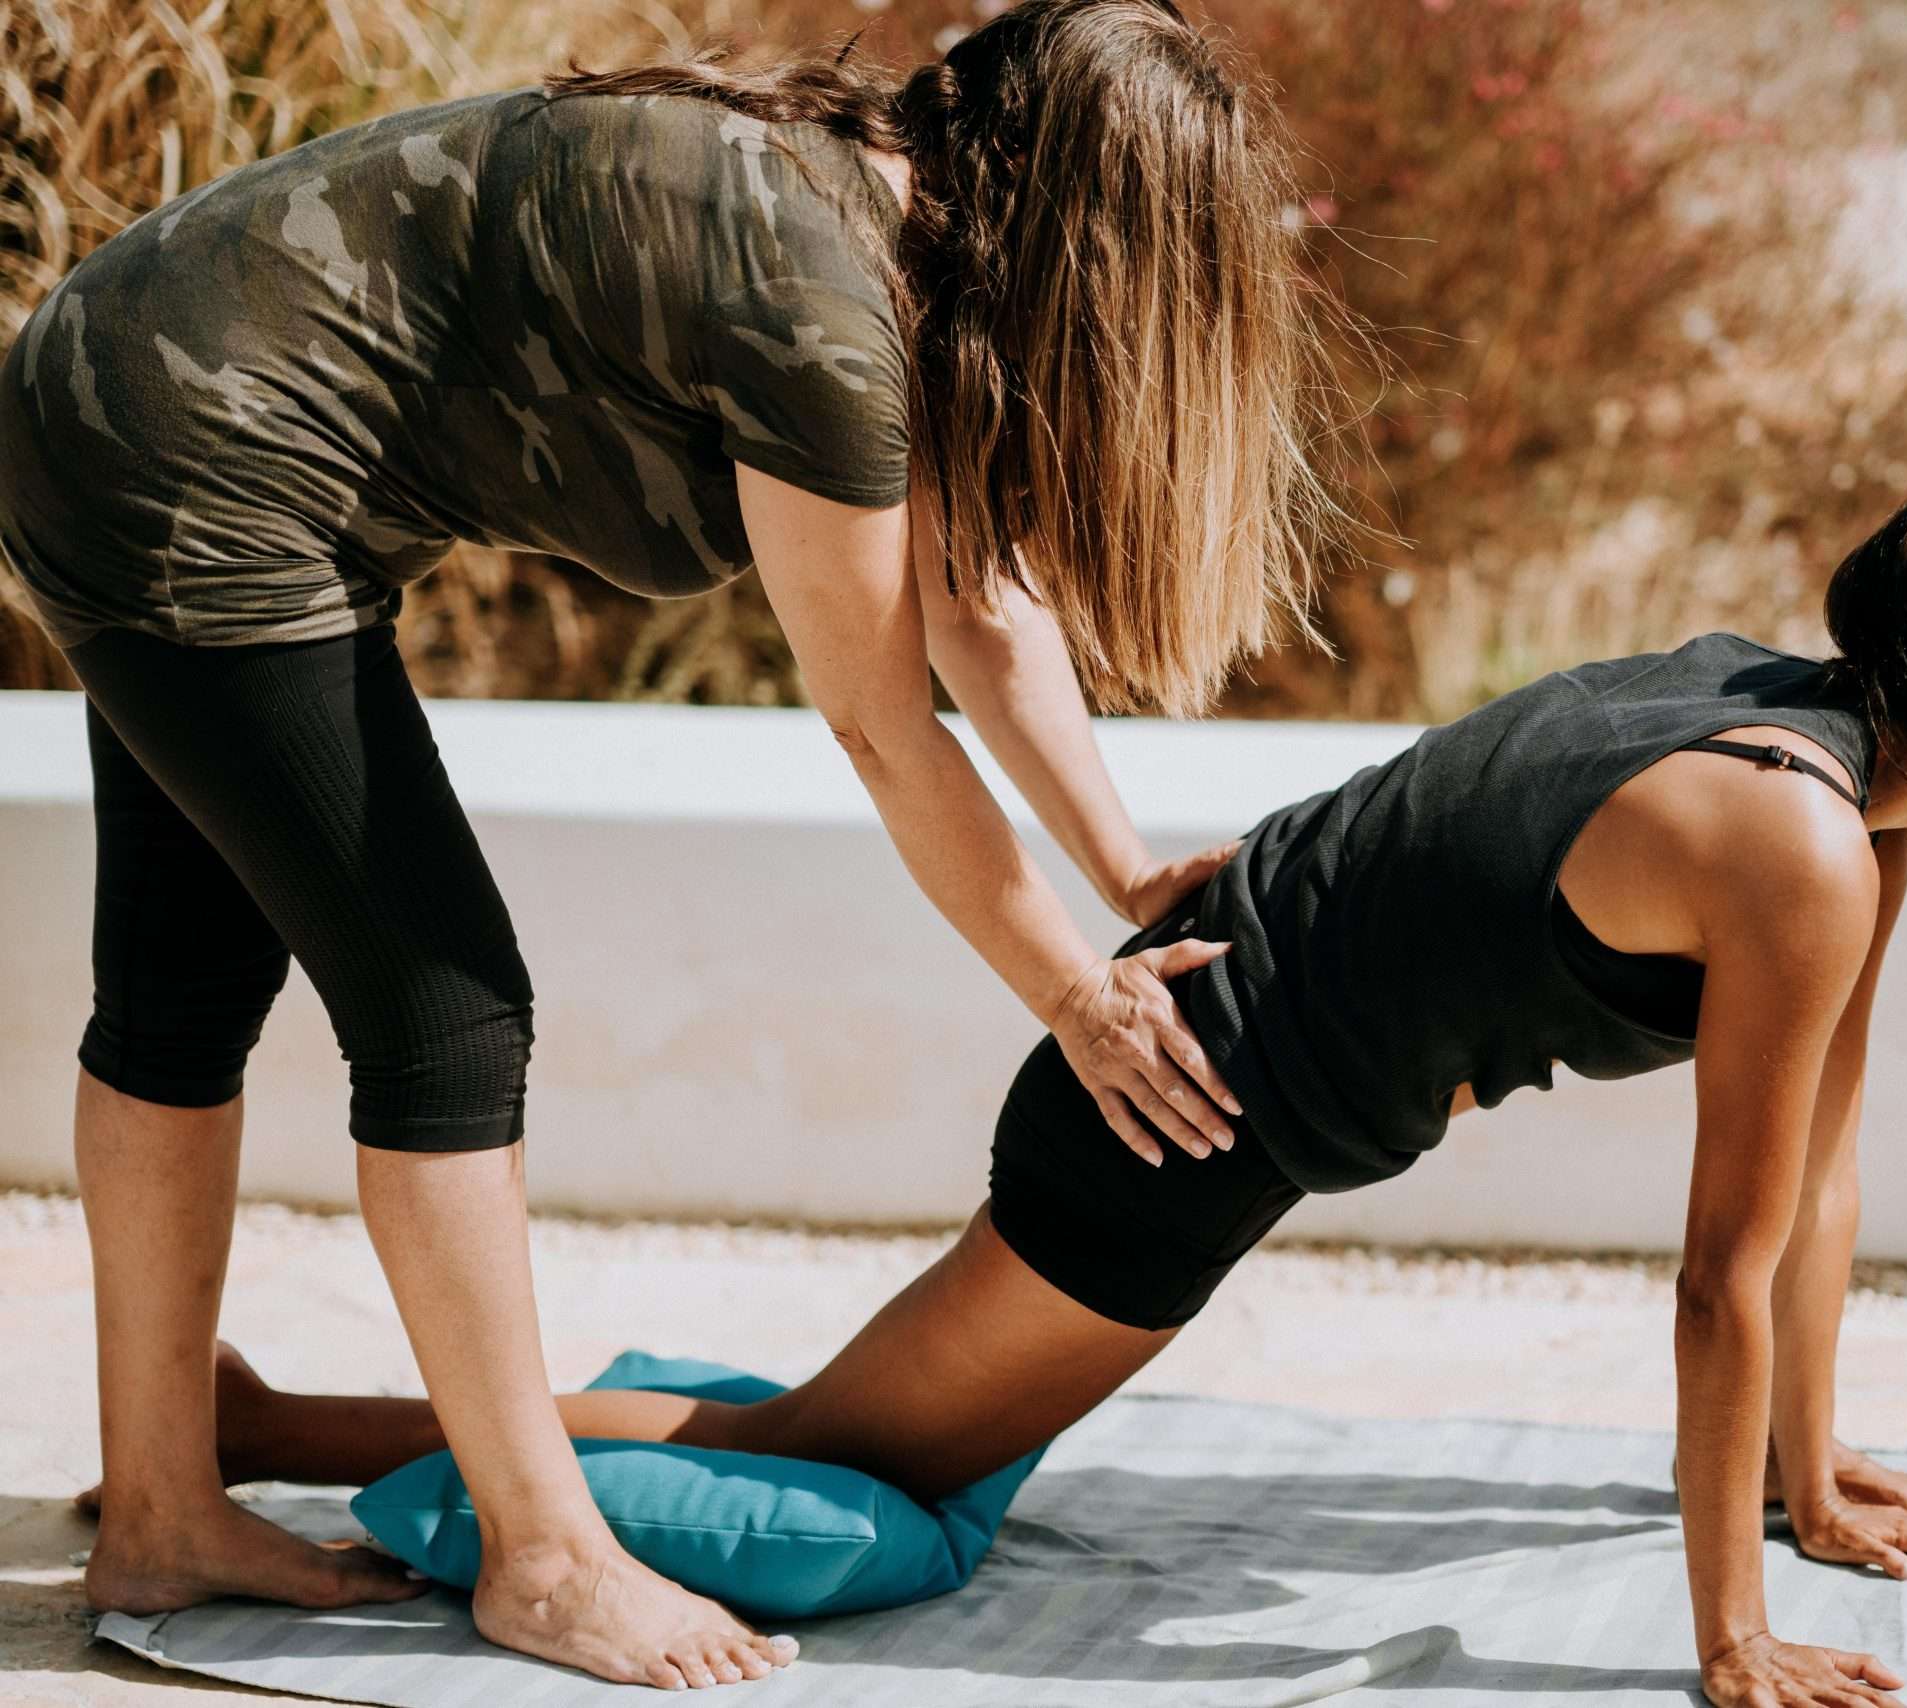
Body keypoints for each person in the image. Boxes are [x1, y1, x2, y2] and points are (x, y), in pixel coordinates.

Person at [161, 424, 1907, 1706]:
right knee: (846, 1450)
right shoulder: (1798, 840)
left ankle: (286, 1407)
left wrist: (1809, 1478)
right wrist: (1727, 1632)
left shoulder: (1843, 775)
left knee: (844, 1416)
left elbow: (1812, 1184)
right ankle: (297, 1427)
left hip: (1210, 1049)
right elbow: (1715, 1271)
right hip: (1175, 1105)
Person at [1, 0, 1349, 1688]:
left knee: (183, 993)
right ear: (1089, 231)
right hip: (190, 446)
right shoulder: (823, 307)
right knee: (447, 1012)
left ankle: (163, 1509)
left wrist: (1129, 876)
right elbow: (879, 725)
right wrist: (1080, 996)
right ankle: (548, 1558)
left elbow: (978, 609)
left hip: (127, 390)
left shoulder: (887, 225)